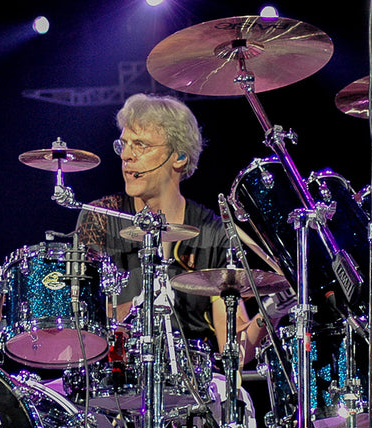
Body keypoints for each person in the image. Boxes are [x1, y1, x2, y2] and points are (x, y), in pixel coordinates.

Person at [76, 93, 292, 371]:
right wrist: (141, 308)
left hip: (188, 387)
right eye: (124, 144)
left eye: (140, 145)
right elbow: (83, 323)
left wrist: (270, 312)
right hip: (114, 381)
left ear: (178, 157)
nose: (127, 156)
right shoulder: (101, 217)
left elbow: (234, 352)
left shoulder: (212, 232)